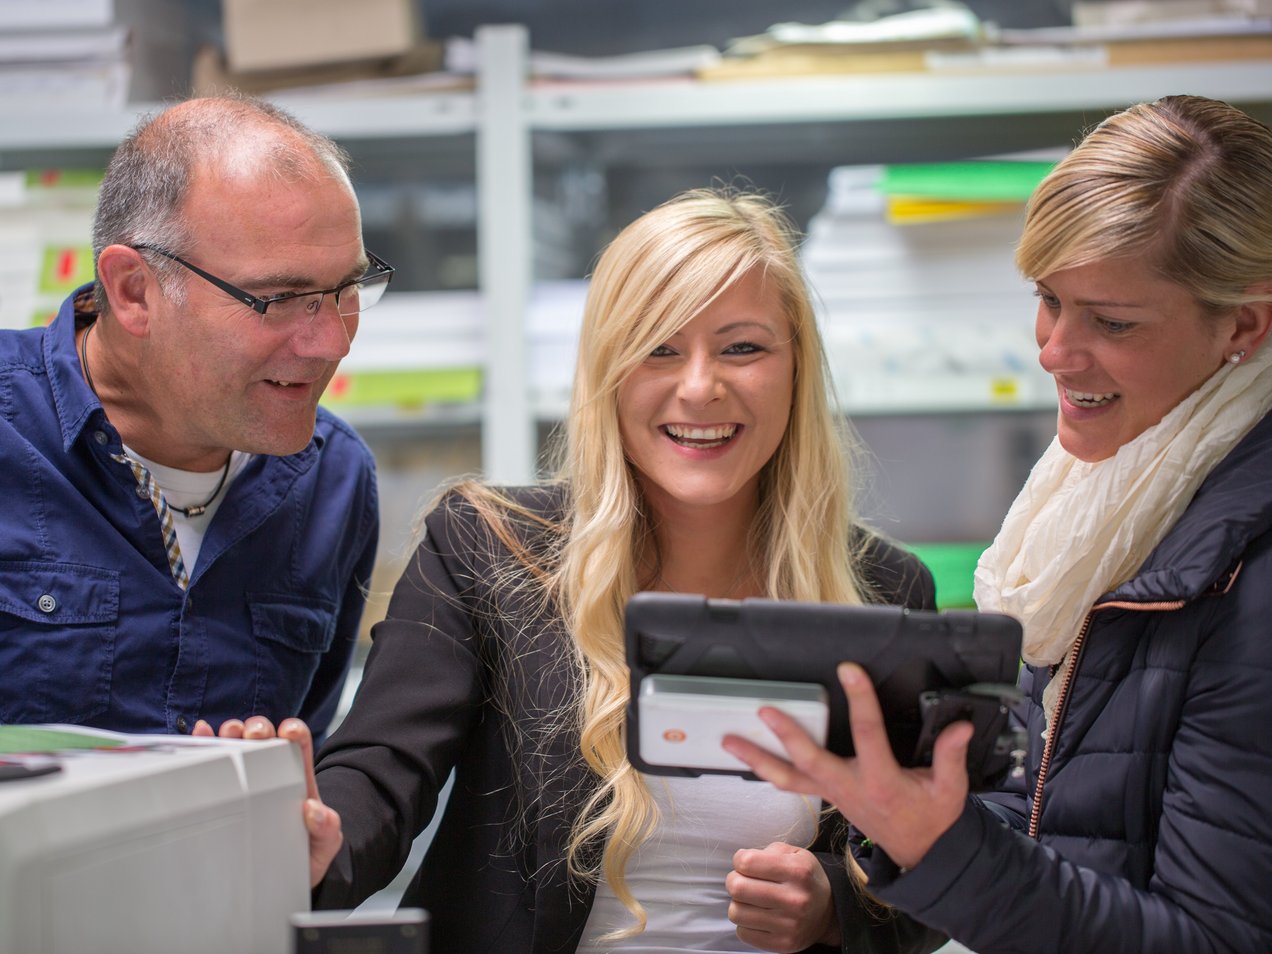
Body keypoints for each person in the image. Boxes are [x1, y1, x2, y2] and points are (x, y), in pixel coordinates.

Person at [215, 188, 942, 953]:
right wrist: (322, 838)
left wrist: (836, 905)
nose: (700, 387)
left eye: (742, 348)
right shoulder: (489, 548)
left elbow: (938, 868)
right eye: (658, 348)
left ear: (796, 368)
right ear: (607, 371)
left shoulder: (885, 593)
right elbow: (384, 769)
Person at [725, 95, 1272, 953]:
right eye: (1049, 300)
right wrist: (904, 829)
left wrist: (937, 844)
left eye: (1112, 321)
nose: (1053, 349)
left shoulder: (1248, 578)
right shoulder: (1105, 506)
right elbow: (1054, 813)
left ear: (1243, 323)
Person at [0, 95, 383, 741]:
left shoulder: (334, 480)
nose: (332, 344)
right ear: (133, 291)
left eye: (347, 289)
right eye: (279, 299)